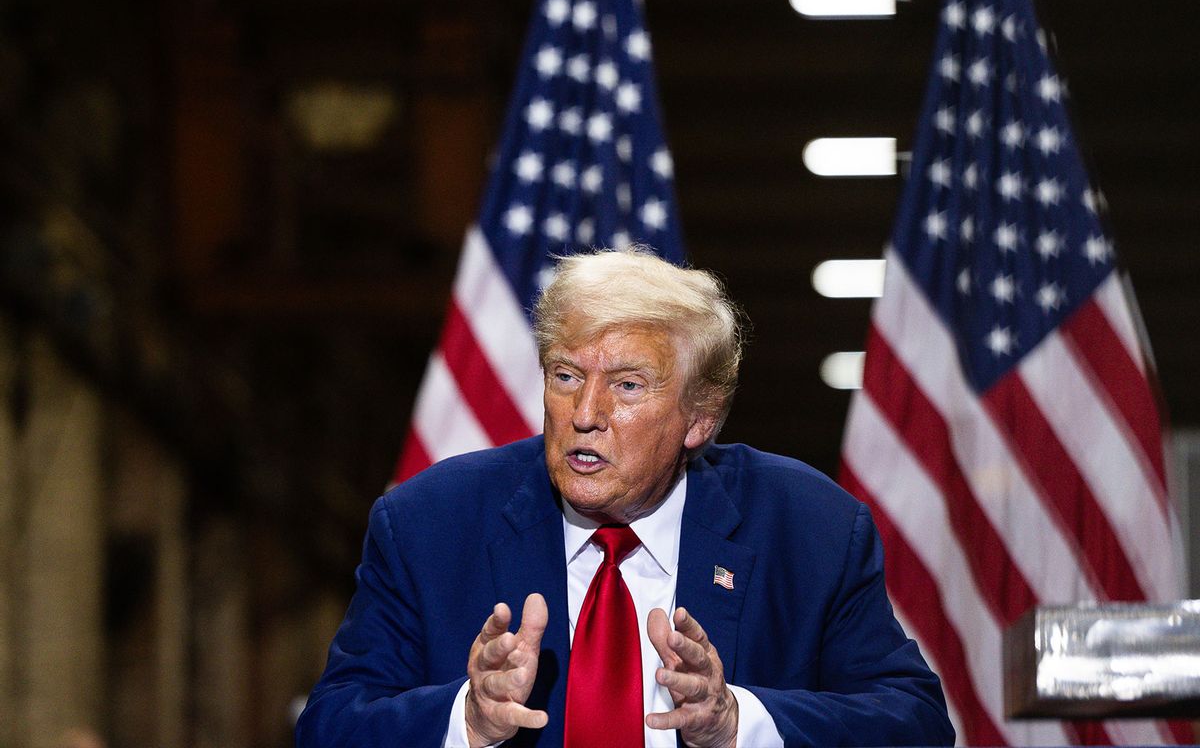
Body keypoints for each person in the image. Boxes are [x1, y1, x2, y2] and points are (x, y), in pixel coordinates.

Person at [296, 249, 955, 747]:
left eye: (629, 386)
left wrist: (737, 723)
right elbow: (328, 725)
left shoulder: (809, 530)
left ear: (700, 416)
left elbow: (916, 722)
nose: (585, 413)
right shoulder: (428, 524)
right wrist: (464, 717)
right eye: (566, 376)